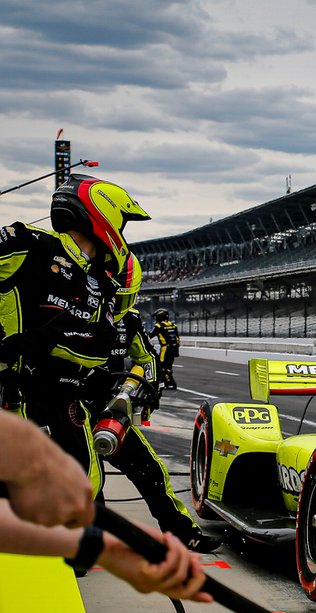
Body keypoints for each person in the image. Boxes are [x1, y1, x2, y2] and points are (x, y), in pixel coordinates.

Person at [0, 173, 150, 496]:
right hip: (10, 392)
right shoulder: (32, 244)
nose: (122, 236)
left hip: (61, 402)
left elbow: (100, 345)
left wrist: (45, 340)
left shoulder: (101, 284)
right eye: (122, 225)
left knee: (87, 489)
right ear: (102, 214)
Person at [0, 410, 210, 602]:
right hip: (57, 405)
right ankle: (75, 548)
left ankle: (182, 532)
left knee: (148, 469)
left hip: (94, 405)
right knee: (87, 480)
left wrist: (104, 547)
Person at [89, 299, 221, 553]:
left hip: (112, 411)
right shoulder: (74, 305)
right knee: (89, 477)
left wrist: (146, 390)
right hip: (74, 406)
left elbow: (147, 359)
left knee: (152, 471)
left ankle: (182, 534)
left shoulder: (130, 319)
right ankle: (88, 546)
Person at [150, 308, 181, 389]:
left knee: (162, 366)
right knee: (168, 366)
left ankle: (169, 383)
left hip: (165, 348)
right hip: (174, 348)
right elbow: (177, 338)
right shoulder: (173, 325)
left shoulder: (159, 326)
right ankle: (169, 383)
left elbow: (149, 335)